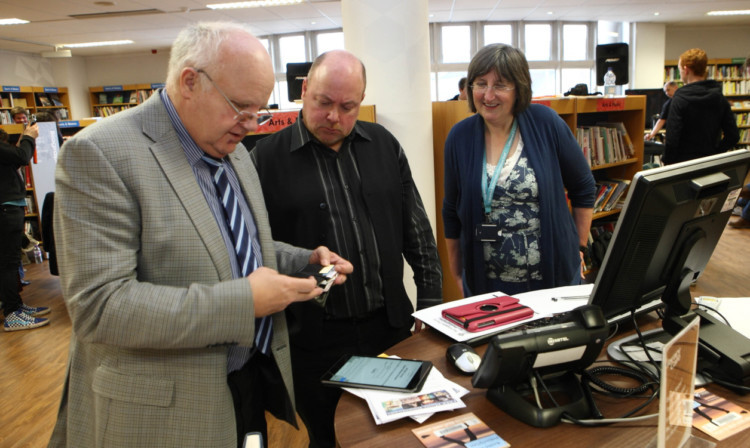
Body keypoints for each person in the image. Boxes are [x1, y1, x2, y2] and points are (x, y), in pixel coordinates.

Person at [47, 22, 352, 448]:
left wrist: (303, 260)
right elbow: (100, 307)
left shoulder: (231, 149)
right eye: (241, 107)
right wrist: (245, 301)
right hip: (161, 414)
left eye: (258, 112)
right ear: (190, 81)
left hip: (245, 385)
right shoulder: (100, 153)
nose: (250, 124)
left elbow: (238, 248)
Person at [251, 49, 443, 448]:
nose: (334, 117)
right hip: (313, 339)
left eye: (348, 106)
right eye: (323, 103)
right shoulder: (264, 160)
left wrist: (430, 302)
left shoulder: (383, 145)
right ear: (304, 91)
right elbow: (254, 246)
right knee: (326, 434)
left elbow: (417, 230)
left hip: (388, 327)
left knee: (397, 432)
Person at [442, 44, 596, 298]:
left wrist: (578, 246)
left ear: (519, 88)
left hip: (551, 279)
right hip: (487, 285)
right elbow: (451, 209)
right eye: (481, 83)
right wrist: (457, 273)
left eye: (500, 85)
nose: (488, 95)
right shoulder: (459, 137)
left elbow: (583, 187)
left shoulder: (546, 123)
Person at [1, 122, 51, 331]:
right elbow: (22, 156)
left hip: (8, 207)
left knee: (11, 262)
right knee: (8, 263)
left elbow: (15, 156)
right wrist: (29, 136)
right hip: (5, 208)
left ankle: (16, 307)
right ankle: (12, 313)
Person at [663, 48, 739, 165]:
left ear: (685, 69)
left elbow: (672, 139)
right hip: (710, 164)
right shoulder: (719, 98)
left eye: (679, 69)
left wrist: (668, 163)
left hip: (683, 166)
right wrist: (716, 153)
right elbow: (733, 136)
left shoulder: (679, 99)